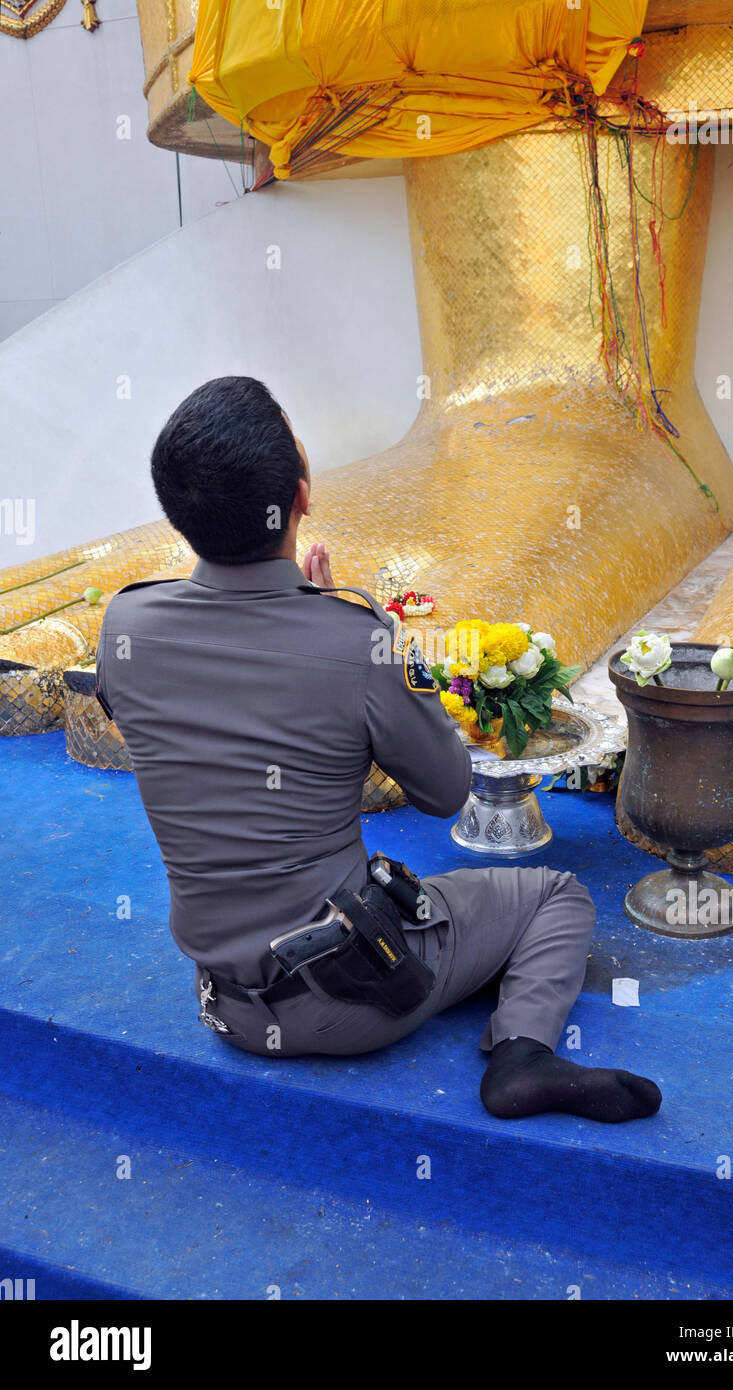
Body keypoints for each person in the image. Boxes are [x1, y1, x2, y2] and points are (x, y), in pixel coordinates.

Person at [96, 376, 661, 1124]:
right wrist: (357, 640)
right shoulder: (352, 640)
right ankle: (524, 1054)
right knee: (555, 896)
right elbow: (446, 788)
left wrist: (307, 640)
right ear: (302, 494)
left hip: (223, 1003)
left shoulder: (125, 627)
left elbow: (179, 717)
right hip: (353, 1000)